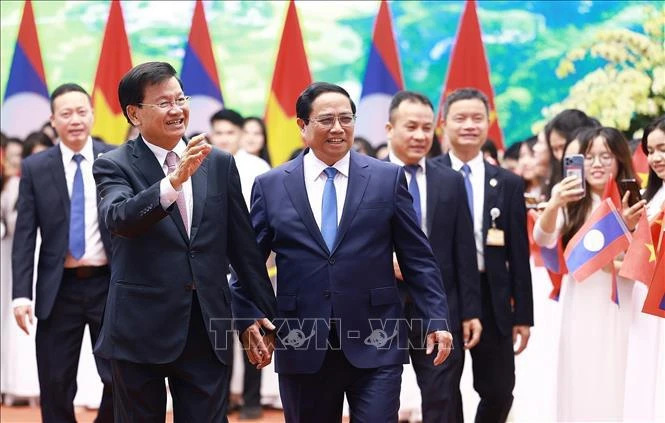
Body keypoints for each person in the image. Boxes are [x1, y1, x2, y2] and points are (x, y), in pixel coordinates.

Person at [230, 82, 453, 422]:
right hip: (301, 340)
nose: (338, 128)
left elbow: (418, 258)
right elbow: (248, 263)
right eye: (326, 119)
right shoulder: (271, 185)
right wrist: (246, 317)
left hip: (377, 339)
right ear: (302, 126)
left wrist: (436, 317)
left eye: (346, 119)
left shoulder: (386, 179)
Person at [91, 62, 277, 422]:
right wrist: (172, 183)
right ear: (134, 114)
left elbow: (241, 247)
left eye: (180, 99)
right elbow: (120, 219)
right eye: (163, 103)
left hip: (206, 328)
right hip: (139, 330)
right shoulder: (113, 164)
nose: (177, 109)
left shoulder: (218, 162)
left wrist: (258, 312)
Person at [11, 83, 114, 422]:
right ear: (53, 120)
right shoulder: (36, 167)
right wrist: (20, 295)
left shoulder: (115, 159)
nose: (75, 120)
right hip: (60, 288)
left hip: (109, 284)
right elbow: (25, 236)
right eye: (65, 113)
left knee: (119, 374)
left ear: (93, 115)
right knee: (55, 380)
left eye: (81, 111)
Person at [435, 87, 533, 422]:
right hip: (444, 295)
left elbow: (519, 252)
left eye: (478, 118)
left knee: (499, 389)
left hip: (493, 295)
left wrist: (523, 314)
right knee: (443, 386)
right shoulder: (425, 175)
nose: (469, 125)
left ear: (488, 123)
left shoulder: (507, 183)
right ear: (444, 123)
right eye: (460, 118)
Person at [386, 90, 481, 423]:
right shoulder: (366, 177)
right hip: (382, 307)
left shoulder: (450, 181)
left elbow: (464, 250)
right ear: (389, 129)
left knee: (442, 398)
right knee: (378, 398)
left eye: (427, 128)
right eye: (411, 126)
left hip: (438, 309)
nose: (420, 135)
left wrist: (470, 310)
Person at [533, 126, 641, 421]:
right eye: (589, 156)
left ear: (620, 159)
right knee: (582, 365)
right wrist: (555, 202)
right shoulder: (572, 201)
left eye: (606, 156)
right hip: (582, 297)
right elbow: (542, 238)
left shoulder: (633, 199)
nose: (597, 163)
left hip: (622, 298)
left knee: (619, 364)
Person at [622, 116, 665, 421]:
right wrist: (629, 225)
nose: (655, 158)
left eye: (663, 148)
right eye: (650, 150)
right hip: (645, 295)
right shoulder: (653, 196)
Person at [209, 109, 271, 207]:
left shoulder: (259, 167)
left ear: (241, 134)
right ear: (211, 135)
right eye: (219, 133)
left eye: (230, 133)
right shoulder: (202, 166)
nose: (224, 140)